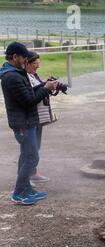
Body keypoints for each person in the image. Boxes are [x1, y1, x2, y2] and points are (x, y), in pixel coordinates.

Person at [0, 42, 58, 205]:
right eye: (24, 57)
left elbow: (30, 92)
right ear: (14, 57)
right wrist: (46, 88)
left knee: (27, 155)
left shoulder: (17, 72)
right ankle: (19, 193)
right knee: (31, 156)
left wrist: (44, 85)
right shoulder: (11, 77)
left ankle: (27, 189)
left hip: (27, 121)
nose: (26, 59)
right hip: (23, 123)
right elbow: (29, 100)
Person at [25, 51, 55, 184]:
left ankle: (33, 172)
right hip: (30, 117)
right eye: (35, 63)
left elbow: (38, 90)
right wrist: (46, 87)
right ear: (27, 63)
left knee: (36, 147)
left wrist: (51, 86)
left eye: (39, 63)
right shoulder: (23, 77)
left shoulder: (33, 75)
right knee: (30, 149)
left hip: (38, 117)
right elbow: (31, 97)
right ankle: (25, 178)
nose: (38, 66)